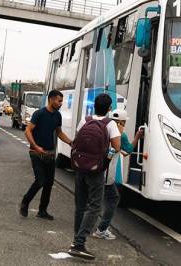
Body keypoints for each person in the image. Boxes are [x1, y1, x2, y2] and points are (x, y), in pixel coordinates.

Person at [68, 93, 121, 260]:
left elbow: (77, 140)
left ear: (94, 106)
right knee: (95, 206)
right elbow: (117, 146)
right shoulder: (110, 123)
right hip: (96, 170)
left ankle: (77, 241)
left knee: (80, 205)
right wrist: (107, 159)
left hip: (79, 167)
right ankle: (79, 244)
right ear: (109, 108)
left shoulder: (86, 120)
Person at [19, 90, 72, 220]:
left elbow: (59, 132)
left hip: (50, 154)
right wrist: (36, 147)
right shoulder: (39, 114)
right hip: (36, 153)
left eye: (61, 101)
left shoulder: (57, 116)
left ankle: (42, 211)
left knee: (49, 183)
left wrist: (70, 142)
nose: (61, 103)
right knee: (40, 181)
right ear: (51, 100)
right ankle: (25, 202)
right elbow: (28, 131)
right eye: (59, 101)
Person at [93, 108, 143, 240]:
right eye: (124, 122)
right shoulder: (121, 135)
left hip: (93, 169)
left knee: (92, 199)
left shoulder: (102, 127)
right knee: (113, 198)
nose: (124, 125)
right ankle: (101, 229)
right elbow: (128, 150)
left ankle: (85, 226)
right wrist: (137, 137)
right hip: (107, 173)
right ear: (120, 122)